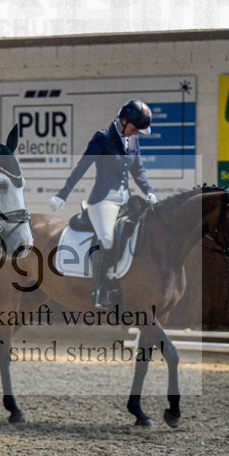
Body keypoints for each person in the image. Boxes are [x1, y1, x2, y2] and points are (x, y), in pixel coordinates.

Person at [49, 99, 158, 308]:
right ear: (123, 121)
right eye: (134, 128)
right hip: (102, 201)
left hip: (125, 199)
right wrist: (62, 194)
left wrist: (150, 192)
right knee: (107, 239)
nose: (136, 133)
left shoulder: (133, 140)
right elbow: (82, 167)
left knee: (138, 234)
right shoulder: (103, 138)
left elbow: (138, 171)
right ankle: (100, 289)